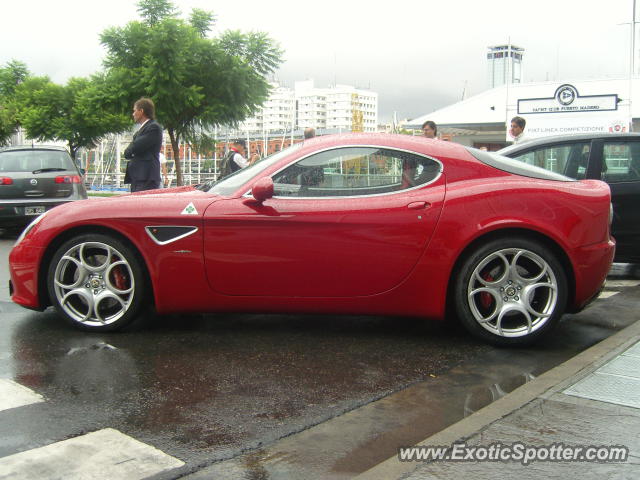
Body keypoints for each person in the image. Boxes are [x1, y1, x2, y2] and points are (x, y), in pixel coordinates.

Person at [124, 98, 163, 192]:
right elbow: (128, 151)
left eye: (134, 111)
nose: (133, 114)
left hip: (146, 177)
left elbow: (135, 147)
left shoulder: (153, 127)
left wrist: (131, 151)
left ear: (141, 111)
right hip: (139, 177)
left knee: (141, 206)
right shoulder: (141, 130)